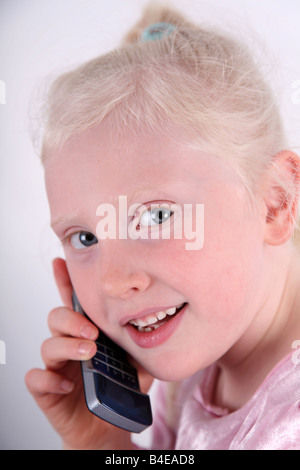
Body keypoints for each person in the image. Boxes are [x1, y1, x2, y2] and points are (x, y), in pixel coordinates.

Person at [25, 5, 300, 450]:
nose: (114, 282)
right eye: (86, 237)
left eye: (155, 216)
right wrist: (104, 442)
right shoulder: (194, 373)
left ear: (274, 203)